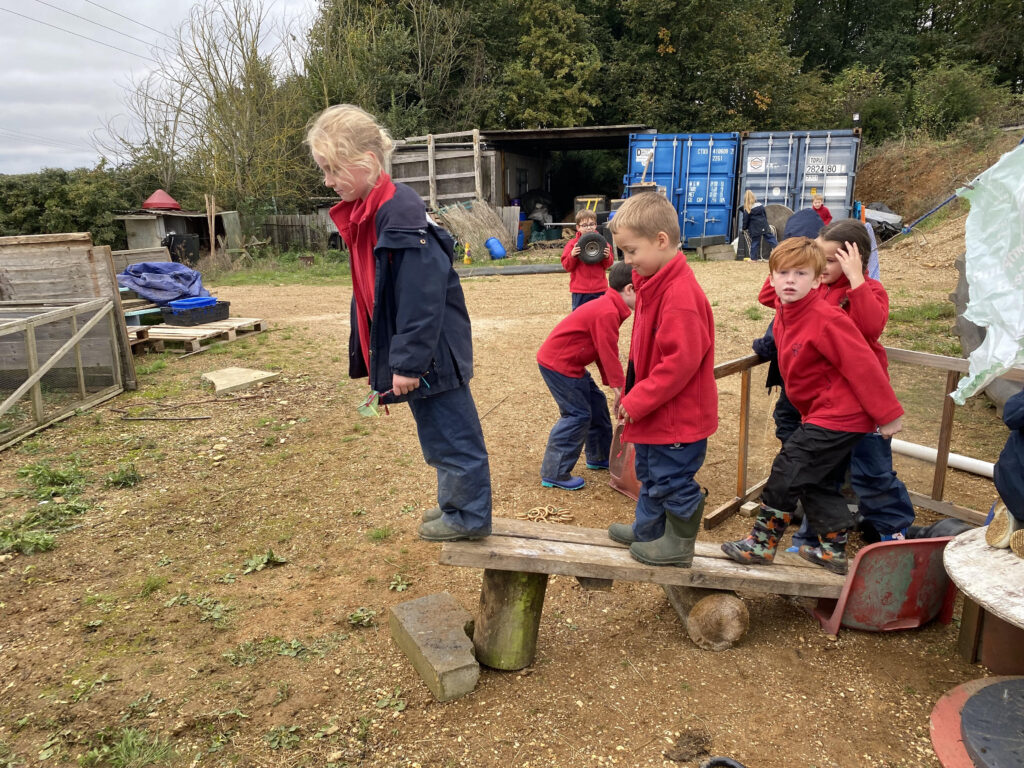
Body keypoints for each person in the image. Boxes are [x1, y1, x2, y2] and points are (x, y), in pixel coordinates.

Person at [306, 104, 491, 542]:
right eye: (324, 171)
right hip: (417, 350)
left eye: (332, 170)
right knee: (436, 434)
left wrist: (407, 363)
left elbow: (421, 298)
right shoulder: (372, 211)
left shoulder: (400, 213)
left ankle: (469, 516)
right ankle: (455, 505)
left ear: (367, 163)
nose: (328, 182)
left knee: (454, 436)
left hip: (430, 351)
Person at [722, 237, 904, 575]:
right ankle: (831, 550)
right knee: (815, 479)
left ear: (818, 280)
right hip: (822, 411)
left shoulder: (826, 318)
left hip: (841, 413)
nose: (791, 280)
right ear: (772, 278)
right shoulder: (785, 312)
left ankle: (761, 544)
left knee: (787, 470)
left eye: (801, 273)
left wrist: (889, 415)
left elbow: (862, 364)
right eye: (784, 273)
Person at [605, 192, 718, 567]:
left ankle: (679, 545)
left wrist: (639, 399)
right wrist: (630, 391)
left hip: (677, 418)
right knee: (650, 474)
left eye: (631, 251)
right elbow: (643, 351)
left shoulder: (680, 295)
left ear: (661, 241)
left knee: (672, 480)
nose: (627, 261)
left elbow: (678, 365)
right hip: (657, 411)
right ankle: (649, 530)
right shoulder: (653, 284)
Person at [537, 261, 635, 490]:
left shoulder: (610, 306)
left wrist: (615, 388)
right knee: (577, 414)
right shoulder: (608, 311)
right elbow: (609, 353)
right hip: (559, 365)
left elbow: (603, 351)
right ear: (629, 289)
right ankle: (555, 472)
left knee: (597, 404)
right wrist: (620, 390)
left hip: (571, 364)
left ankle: (599, 456)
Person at [988, 389, 1024, 553]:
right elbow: (1011, 414)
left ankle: (1010, 518)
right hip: (1014, 483)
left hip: (1011, 482)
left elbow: (1011, 413)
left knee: (992, 546)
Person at [561, 208, 614, 310]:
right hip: (580, 290)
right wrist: (572, 256)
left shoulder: (602, 243)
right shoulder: (572, 244)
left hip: (600, 288)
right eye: (584, 225)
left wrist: (607, 257)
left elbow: (608, 265)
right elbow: (567, 266)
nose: (588, 228)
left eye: (591, 224)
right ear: (578, 227)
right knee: (579, 318)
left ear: (595, 225)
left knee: (600, 316)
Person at [741, 189, 777, 263]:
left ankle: (753, 259)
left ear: (745, 199)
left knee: (755, 242)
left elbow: (745, 220)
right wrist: (765, 224)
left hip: (755, 228)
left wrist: (744, 228)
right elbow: (765, 215)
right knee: (771, 238)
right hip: (764, 225)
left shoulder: (747, 208)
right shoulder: (760, 205)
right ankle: (780, 251)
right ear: (753, 197)